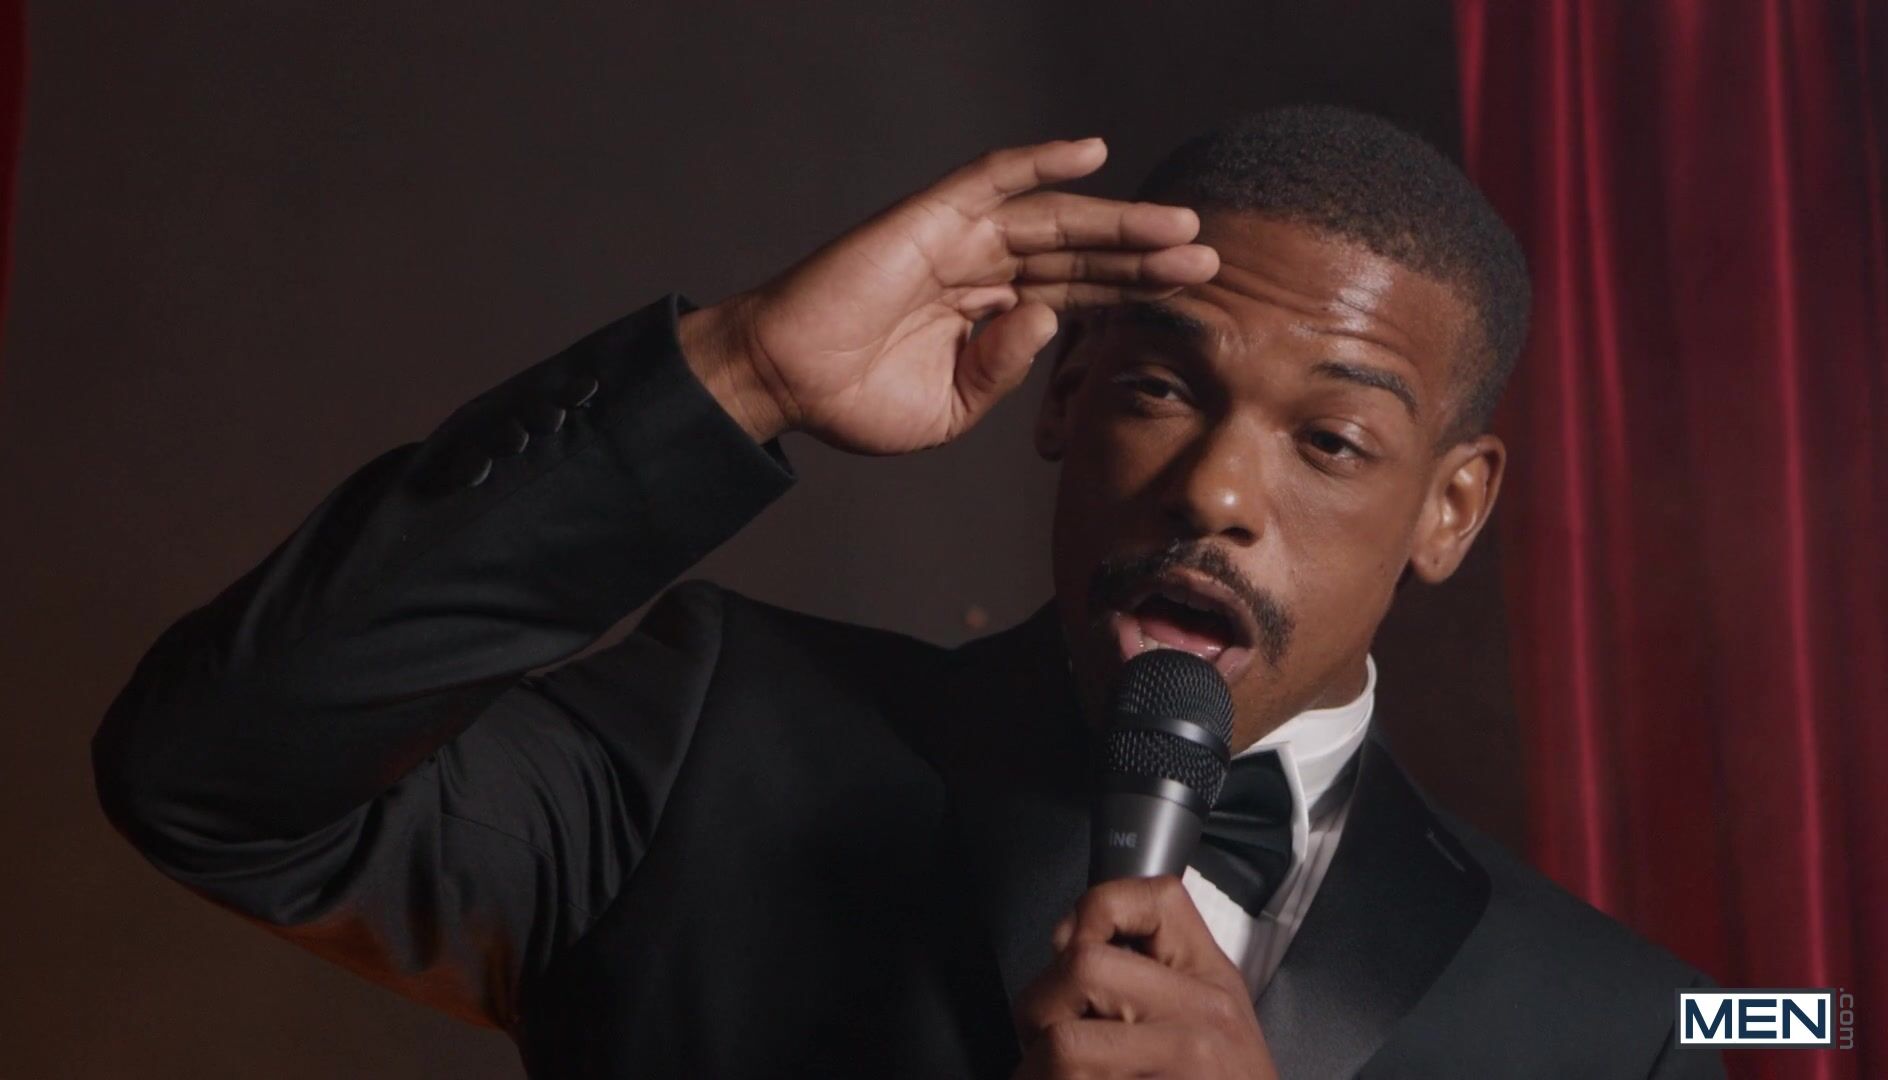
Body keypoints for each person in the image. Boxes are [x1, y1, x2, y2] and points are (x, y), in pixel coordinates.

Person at [92, 106, 1725, 1078]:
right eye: (1162, 388)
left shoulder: (1633, 1022)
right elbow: (208, 781)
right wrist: (739, 374)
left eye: (1332, 441)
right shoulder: (705, 740)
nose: (1217, 494)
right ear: (1064, 395)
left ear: (1451, 507)